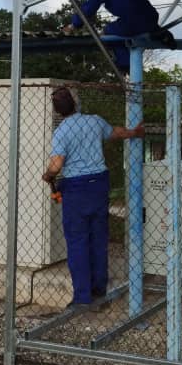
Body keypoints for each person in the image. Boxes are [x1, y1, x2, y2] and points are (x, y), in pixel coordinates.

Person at [42, 85, 144, 306]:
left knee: (78, 241)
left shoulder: (61, 132)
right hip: (99, 184)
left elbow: (57, 163)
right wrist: (134, 133)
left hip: (76, 188)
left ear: (58, 111)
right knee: (98, 238)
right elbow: (115, 132)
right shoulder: (94, 121)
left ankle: (82, 297)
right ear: (75, 103)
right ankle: (99, 289)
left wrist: (48, 174)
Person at [63, 0, 174, 74]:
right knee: (140, 26)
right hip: (151, 18)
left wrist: (74, 25)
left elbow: (88, 8)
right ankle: (161, 34)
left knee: (110, 32)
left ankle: (125, 65)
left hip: (132, 21)